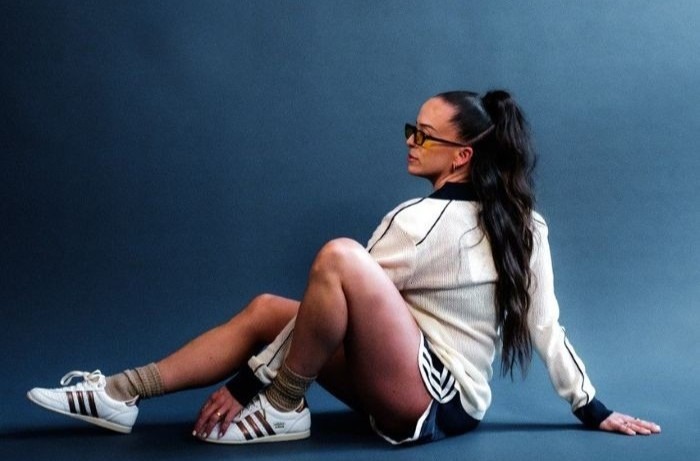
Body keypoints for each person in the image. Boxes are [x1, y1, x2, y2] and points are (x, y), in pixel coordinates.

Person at [27, 90, 661, 445]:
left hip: (430, 400)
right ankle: (121, 394)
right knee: (267, 309)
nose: (410, 140)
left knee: (339, 257)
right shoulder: (518, 221)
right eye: (411, 128)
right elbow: (322, 316)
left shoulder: (426, 222)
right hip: (413, 383)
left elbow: (544, 323)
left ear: (462, 155)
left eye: (424, 134)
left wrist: (251, 385)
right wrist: (590, 407)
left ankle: (283, 406)